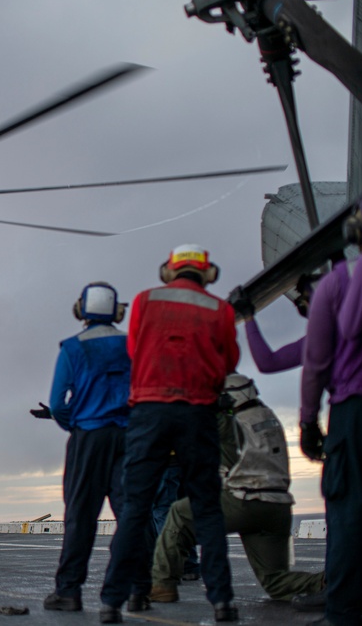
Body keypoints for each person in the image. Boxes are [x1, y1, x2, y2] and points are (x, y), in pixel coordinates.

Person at [98, 244, 239, 624]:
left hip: (148, 412)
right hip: (198, 413)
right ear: (208, 273)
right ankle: (223, 601)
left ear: (168, 270)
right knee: (207, 509)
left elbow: (134, 348)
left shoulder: (145, 301)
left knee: (135, 509)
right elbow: (229, 362)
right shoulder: (219, 309)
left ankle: (117, 600)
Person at [150, 373, 324, 604]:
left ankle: (162, 585)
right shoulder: (269, 417)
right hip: (279, 506)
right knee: (275, 581)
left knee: (179, 513)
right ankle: (335, 583)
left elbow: (226, 461)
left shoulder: (230, 423)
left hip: (246, 500)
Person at [36, 282, 131, 612]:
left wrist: (74, 424)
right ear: (118, 312)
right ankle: (133, 589)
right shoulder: (133, 344)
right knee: (132, 516)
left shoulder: (73, 348)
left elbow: (57, 403)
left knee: (80, 516)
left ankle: (69, 591)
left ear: (81, 311)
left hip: (88, 437)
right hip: (128, 438)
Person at [304, 193, 362, 626]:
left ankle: (343, 613)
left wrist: (308, 420)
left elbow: (317, 361)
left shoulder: (336, 283)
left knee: (348, 514)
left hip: (355, 413)